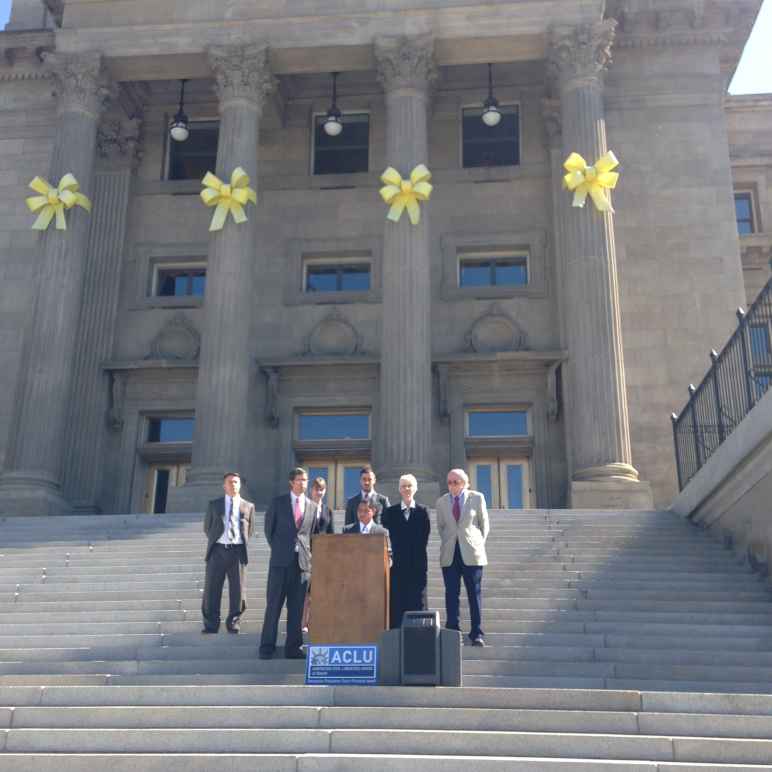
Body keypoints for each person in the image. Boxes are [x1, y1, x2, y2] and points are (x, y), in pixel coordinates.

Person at [259, 467, 316, 659]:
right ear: (291, 482)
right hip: (280, 564)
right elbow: (269, 531)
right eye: (300, 480)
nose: (303, 483)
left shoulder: (312, 506)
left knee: (297, 608)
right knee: (273, 605)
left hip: (301, 566)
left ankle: (293, 647)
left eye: (306, 480)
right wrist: (281, 549)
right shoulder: (278, 503)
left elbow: (311, 535)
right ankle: (267, 646)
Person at [436, 468, 490, 647]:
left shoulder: (477, 497)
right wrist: (449, 542)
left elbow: (484, 524)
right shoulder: (441, 502)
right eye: (450, 482)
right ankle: (453, 630)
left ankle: (477, 632)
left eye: (456, 482)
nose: (452, 485)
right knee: (451, 593)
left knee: (474, 593)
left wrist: (477, 544)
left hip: (472, 553)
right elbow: (441, 527)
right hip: (450, 553)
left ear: (465, 483)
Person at [201, 472, 255, 634]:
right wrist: (219, 540)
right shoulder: (214, 505)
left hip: (237, 552)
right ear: (224, 486)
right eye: (230, 482)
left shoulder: (248, 506)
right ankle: (211, 624)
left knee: (238, 591)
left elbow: (250, 530)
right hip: (217, 550)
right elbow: (207, 527)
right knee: (212, 589)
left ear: (240, 485)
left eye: (236, 482)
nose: (233, 485)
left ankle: (233, 622)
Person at [381, 474, 430, 629]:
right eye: (403, 486)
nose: (407, 489)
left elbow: (424, 538)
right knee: (397, 605)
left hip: (417, 567)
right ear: (399, 489)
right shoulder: (391, 512)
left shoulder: (423, 512)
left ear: (415, 488)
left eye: (409, 485)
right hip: (398, 567)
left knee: (417, 605)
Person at [302, 477, 334, 632]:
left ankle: (318, 621)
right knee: (306, 592)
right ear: (310, 490)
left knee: (320, 591)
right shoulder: (305, 507)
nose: (319, 492)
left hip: (323, 556)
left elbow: (331, 533)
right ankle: (304, 623)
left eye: (322, 489)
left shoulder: (328, 510)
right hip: (306, 554)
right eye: (316, 489)